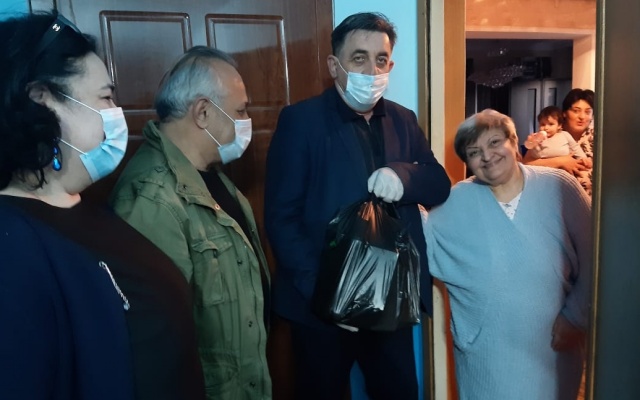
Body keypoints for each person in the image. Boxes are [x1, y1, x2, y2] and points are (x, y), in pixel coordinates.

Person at [0, 11, 205, 400]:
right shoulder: (12, 249)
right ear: (43, 102)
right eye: (106, 97)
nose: (117, 114)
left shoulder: (86, 206)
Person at [264, 12, 451, 399]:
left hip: (391, 299)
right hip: (323, 302)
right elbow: (282, 218)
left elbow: (438, 183)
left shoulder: (403, 119)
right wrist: (326, 295)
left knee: (398, 391)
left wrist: (402, 175)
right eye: (359, 58)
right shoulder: (301, 121)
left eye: (381, 59)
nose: (372, 70)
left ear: (391, 65)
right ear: (335, 65)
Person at [109, 46, 271, 400]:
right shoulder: (151, 197)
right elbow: (159, 341)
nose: (246, 121)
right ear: (203, 112)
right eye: (240, 111)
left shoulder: (209, 174)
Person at [424, 109, 592, 399]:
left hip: (554, 345)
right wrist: (401, 188)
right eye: (474, 152)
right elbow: (425, 239)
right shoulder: (458, 199)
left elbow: (596, 258)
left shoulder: (559, 186)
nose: (487, 156)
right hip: (486, 354)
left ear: (514, 142)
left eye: (494, 142)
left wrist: (576, 317)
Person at [525, 89, 595, 195]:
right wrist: (560, 161)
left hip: (589, 200)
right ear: (565, 113)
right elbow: (526, 163)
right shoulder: (549, 134)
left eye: (587, 112)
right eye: (576, 111)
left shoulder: (597, 138)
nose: (582, 117)